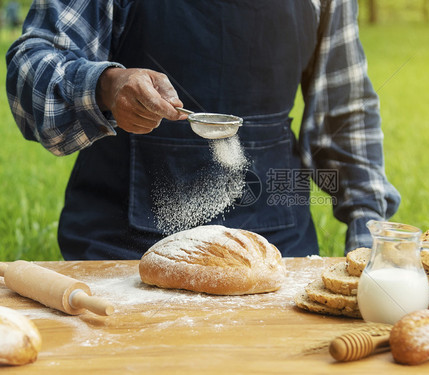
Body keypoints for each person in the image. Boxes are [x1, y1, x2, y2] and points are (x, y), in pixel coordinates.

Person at [6, 0, 400, 260]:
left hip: (277, 250)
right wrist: (105, 84)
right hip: (123, 251)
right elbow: (30, 69)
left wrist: (370, 237)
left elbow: (345, 113)